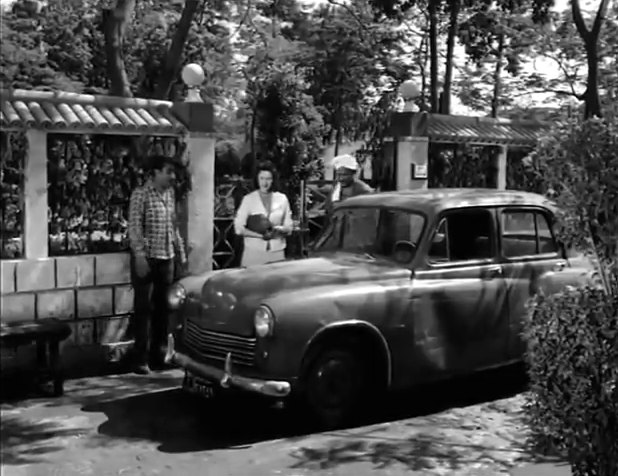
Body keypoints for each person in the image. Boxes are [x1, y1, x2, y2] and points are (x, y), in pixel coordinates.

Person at [128, 155, 187, 375]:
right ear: (155, 173)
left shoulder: (169, 195)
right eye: (168, 172)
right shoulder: (141, 195)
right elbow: (134, 227)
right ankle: (140, 358)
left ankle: (158, 355)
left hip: (166, 258)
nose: (172, 177)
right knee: (143, 310)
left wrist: (180, 253)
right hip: (148, 258)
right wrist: (140, 256)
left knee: (163, 310)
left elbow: (173, 226)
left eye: (173, 172)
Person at [234, 161, 294, 267]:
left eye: (268, 179)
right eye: (262, 178)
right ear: (257, 179)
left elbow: (289, 227)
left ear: (273, 180)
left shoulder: (282, 199)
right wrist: (260, 235)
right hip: (254, 252)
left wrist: (279, 229)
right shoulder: (249, 199)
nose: (264, 183)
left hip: (277, 252)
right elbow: (238, 228)